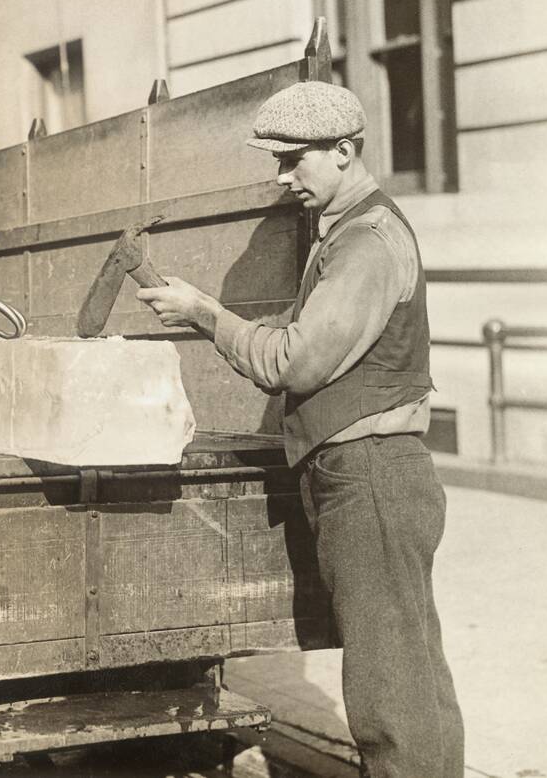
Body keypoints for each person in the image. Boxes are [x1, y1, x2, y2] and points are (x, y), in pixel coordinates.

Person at [138, 81, 464, 778]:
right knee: (405, 674)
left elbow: (293, 359)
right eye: (277, 163)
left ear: (345, 151)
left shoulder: (368, 244)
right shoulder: (342, 235)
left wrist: (205, 313)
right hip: (362, 472)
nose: (284, 179)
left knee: (391, 693)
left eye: (295, 161)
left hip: (372, 474)